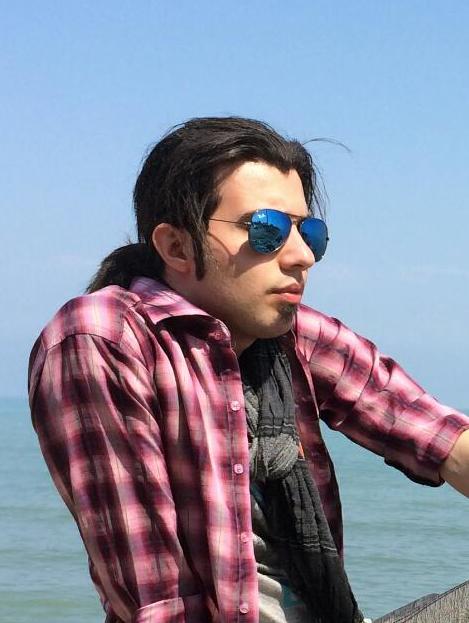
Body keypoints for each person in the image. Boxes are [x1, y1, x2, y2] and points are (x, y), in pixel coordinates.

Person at [28, 117, 469, 623]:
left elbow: (435, 435)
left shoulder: (293, 335)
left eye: (309, 233)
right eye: (267, 230)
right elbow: (157, 600)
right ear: (176, 246)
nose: (301, 256)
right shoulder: (104, 338)